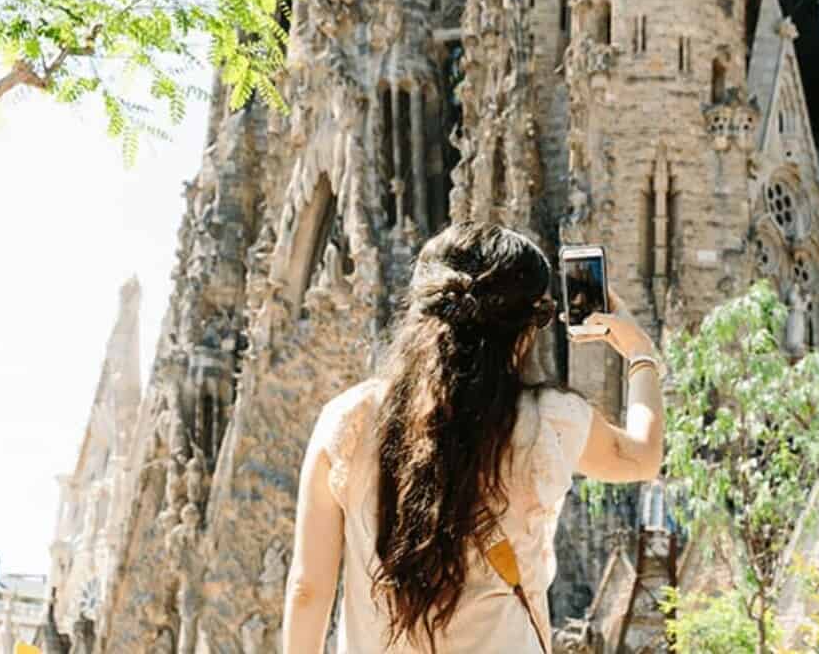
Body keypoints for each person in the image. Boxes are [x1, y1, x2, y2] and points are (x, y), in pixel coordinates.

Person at [282, 222, 665, 654]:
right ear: (525, 330)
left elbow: (307, 590)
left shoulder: (346, 421)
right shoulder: (550, 421)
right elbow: (642, 456)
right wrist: (639, 353)